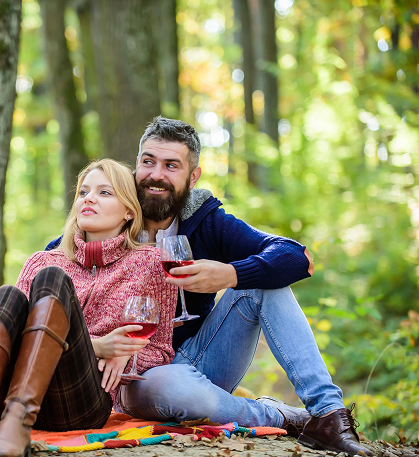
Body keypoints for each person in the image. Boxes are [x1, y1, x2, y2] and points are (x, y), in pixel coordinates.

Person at [46, 117, 372, 457]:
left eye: (171, 165)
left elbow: (295, 257)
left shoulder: (207, 222)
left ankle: (328, 414)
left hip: (201, 357)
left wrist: (232, 274)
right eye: (148, 162)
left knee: (262, 284)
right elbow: (56, 267)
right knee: (172, 387)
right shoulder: (109, 220)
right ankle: (279, 415)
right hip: (141, 376)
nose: (156, 174)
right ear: (136, 166)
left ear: (193, 176)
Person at [0, 159, 177, 457]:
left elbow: (161, 349)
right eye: (83, 192)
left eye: (104, 193)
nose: (89, 198)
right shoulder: (42, 260)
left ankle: (18, 421)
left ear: (129, 212)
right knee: (8, 295)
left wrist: (127, 351)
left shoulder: (149, 264)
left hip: (78, 401)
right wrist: (97, 346)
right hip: (5, 398)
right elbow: (15, 336)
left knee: (53, 281)